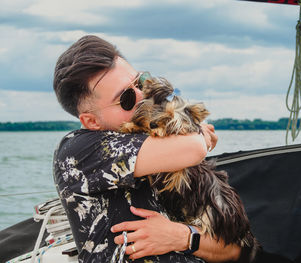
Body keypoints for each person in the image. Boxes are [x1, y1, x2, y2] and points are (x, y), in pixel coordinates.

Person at [53, 35, 242, 262]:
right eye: (127, 97)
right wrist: (198, 130)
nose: (144, 96)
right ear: (92, 121)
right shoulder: (78, 151)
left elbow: (233, 251)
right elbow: (195, 148)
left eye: (141, 81)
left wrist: (184, 237)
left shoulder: (164, 152)